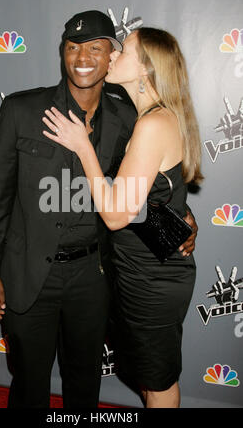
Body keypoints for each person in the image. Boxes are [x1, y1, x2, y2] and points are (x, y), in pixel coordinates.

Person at [0, 10, 197, 409]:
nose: (82, 57)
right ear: (62, 53)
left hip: (95, 277)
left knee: (84, 385)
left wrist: (179, 226)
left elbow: (140, 197)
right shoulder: (22, 110)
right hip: (28, 274)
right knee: (28, 381)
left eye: (96, 48)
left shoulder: (131, 117)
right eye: (73, 47)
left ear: (112, 55)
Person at [42, 26, 203, 408]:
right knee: (149, 379)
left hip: (151, 278)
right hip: (143, 268)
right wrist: (184, 219)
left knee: (158, 383)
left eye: (124, 51)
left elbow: (115, 216)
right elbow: (159, 195)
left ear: (146, 69)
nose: (113, 56)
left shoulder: (152, 124)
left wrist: (83, 146)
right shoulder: (155, 116)